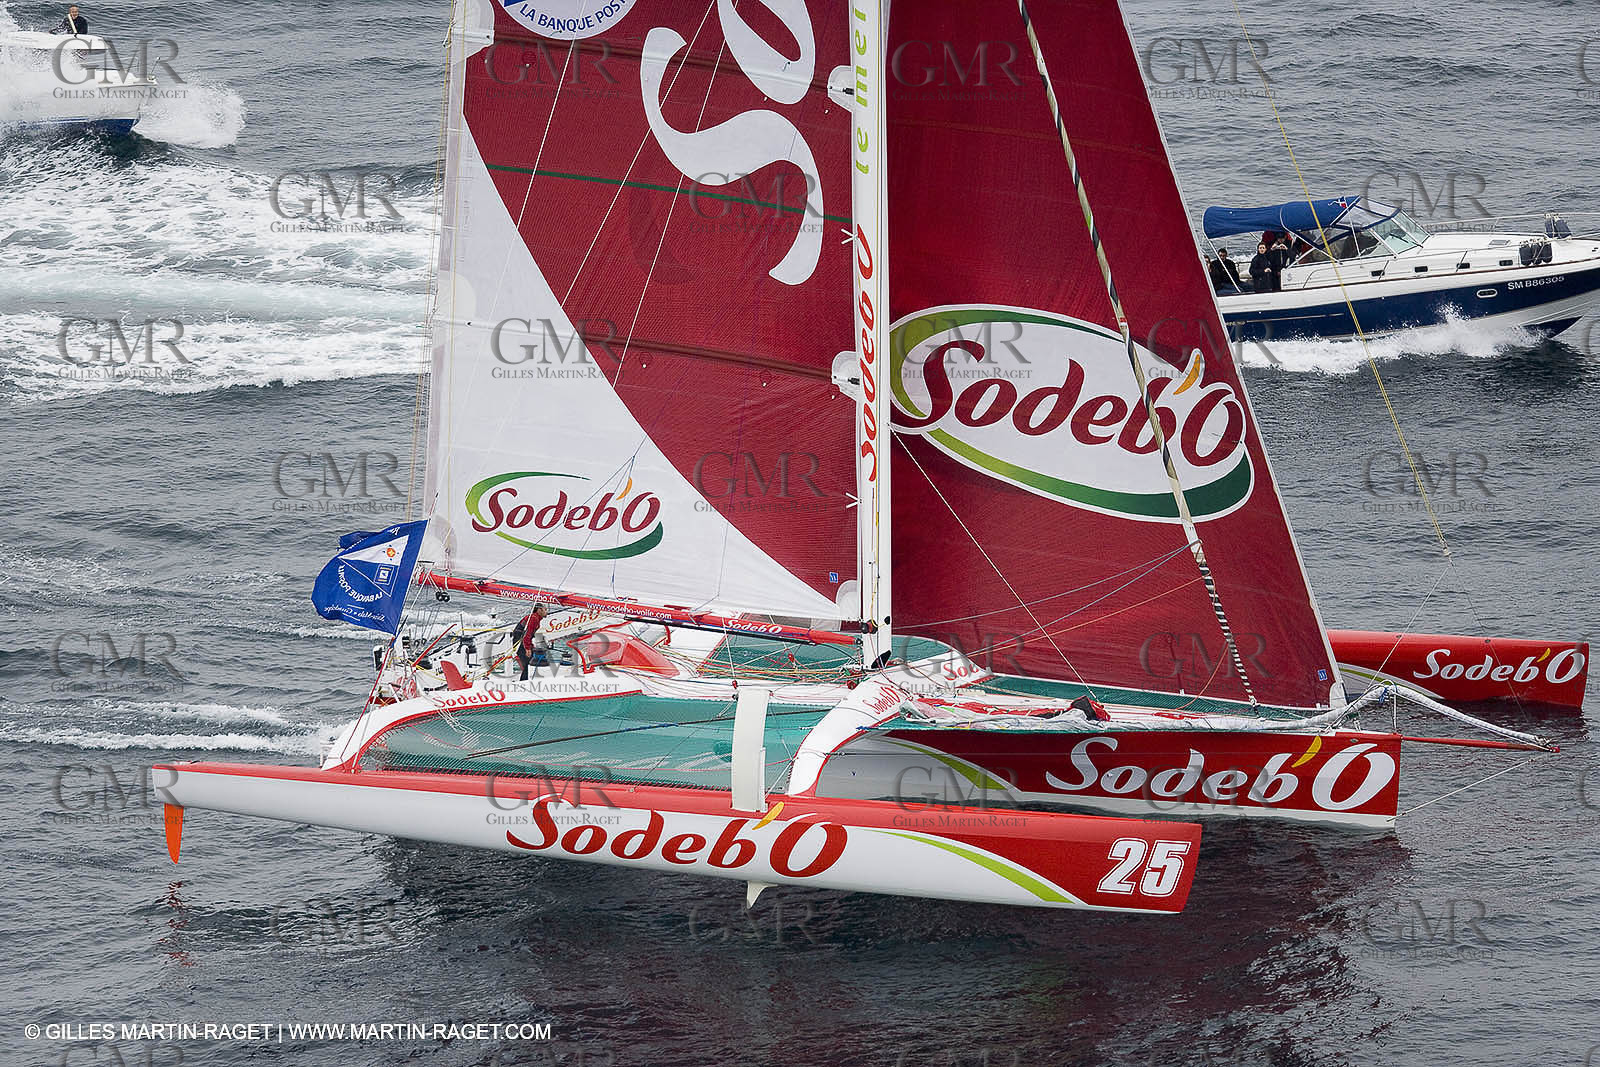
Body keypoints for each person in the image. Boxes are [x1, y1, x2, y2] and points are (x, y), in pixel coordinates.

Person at [510, 605, 549, 680]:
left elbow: (529, 634)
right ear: (539, 610)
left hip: (521, 641)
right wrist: (528, 649)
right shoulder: (534, 618)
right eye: (545, 609)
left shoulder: (535, 618)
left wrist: (531, 646)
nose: (547, 612)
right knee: (528, 663)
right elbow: (527, 635)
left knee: (528, 662)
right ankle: (523, 682)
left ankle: (525, 680)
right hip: (520, 642)